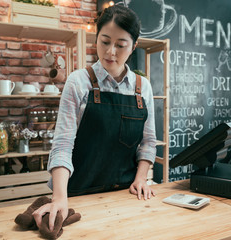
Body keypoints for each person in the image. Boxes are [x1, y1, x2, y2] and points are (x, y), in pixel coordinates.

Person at [33, 5, 157, 231]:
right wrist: (60, 197)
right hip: (80, 196)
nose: (111, 52)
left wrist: (141, 178)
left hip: (127, 197)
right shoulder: (78, 82)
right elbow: (62, 145)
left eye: (120, 45)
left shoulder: (143, 88)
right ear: (96, 38)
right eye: (105, 41)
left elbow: (148, 142)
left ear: (134, 46)